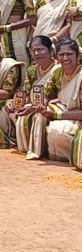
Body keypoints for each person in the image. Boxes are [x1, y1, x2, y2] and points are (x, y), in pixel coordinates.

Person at [11, 35, 59, 158]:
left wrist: (39, 106)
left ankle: (41, 150)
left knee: (40, 115)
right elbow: (27, 94)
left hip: (55, 104)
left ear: (51, 51)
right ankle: (25, 146)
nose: (37, 53)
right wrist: (18, 104)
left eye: (41, 49)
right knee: (18, 111)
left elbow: (63, 94)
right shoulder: (32, 70)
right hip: (34, 104)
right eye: (33, 50)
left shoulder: (58, 69)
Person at [42, 39, 82, 169]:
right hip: (67, 111)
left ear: (77, 56)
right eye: (61, 54)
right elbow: (46, 95)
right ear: (56, 56)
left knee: (58, 130)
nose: (65, 58)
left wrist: (57, 115)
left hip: (77, 115)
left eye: (69, 54)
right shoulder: (58, 72)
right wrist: (41, 106)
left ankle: (70, 158)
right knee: (36, 117)